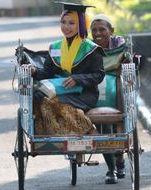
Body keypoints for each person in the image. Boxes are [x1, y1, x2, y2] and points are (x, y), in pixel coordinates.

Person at [30, 2, 105, 136]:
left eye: (71, 23)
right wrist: (34, 71)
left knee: (51, 102)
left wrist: (78, 79)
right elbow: (48, 73)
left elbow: (98, 75)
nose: (66, 27)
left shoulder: (91, 49)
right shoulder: (55, 47)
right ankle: (64, 137)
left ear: (80, 24)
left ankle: (90, 131)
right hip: (60, 90)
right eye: (63, 22)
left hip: (84, 93)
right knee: (38, 99)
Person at [90, 13, 126, 184]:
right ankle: (111, 169)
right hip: (96, 88)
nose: (98, 33)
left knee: (119, 125)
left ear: (111, 31)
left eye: (102, 29)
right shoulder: (88, 46)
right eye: (94, 30)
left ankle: (119, 158)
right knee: (103, 125)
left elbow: (128, 58)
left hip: (116, 86)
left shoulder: (119, 43)